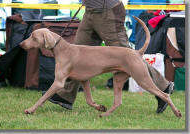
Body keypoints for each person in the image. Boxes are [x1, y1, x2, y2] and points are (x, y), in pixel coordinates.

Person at [42, 0, 174, 114]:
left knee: (128, 57)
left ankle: (163, 87)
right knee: (76, 54)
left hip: (108, 11)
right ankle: (65, 94)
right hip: (91, 11)